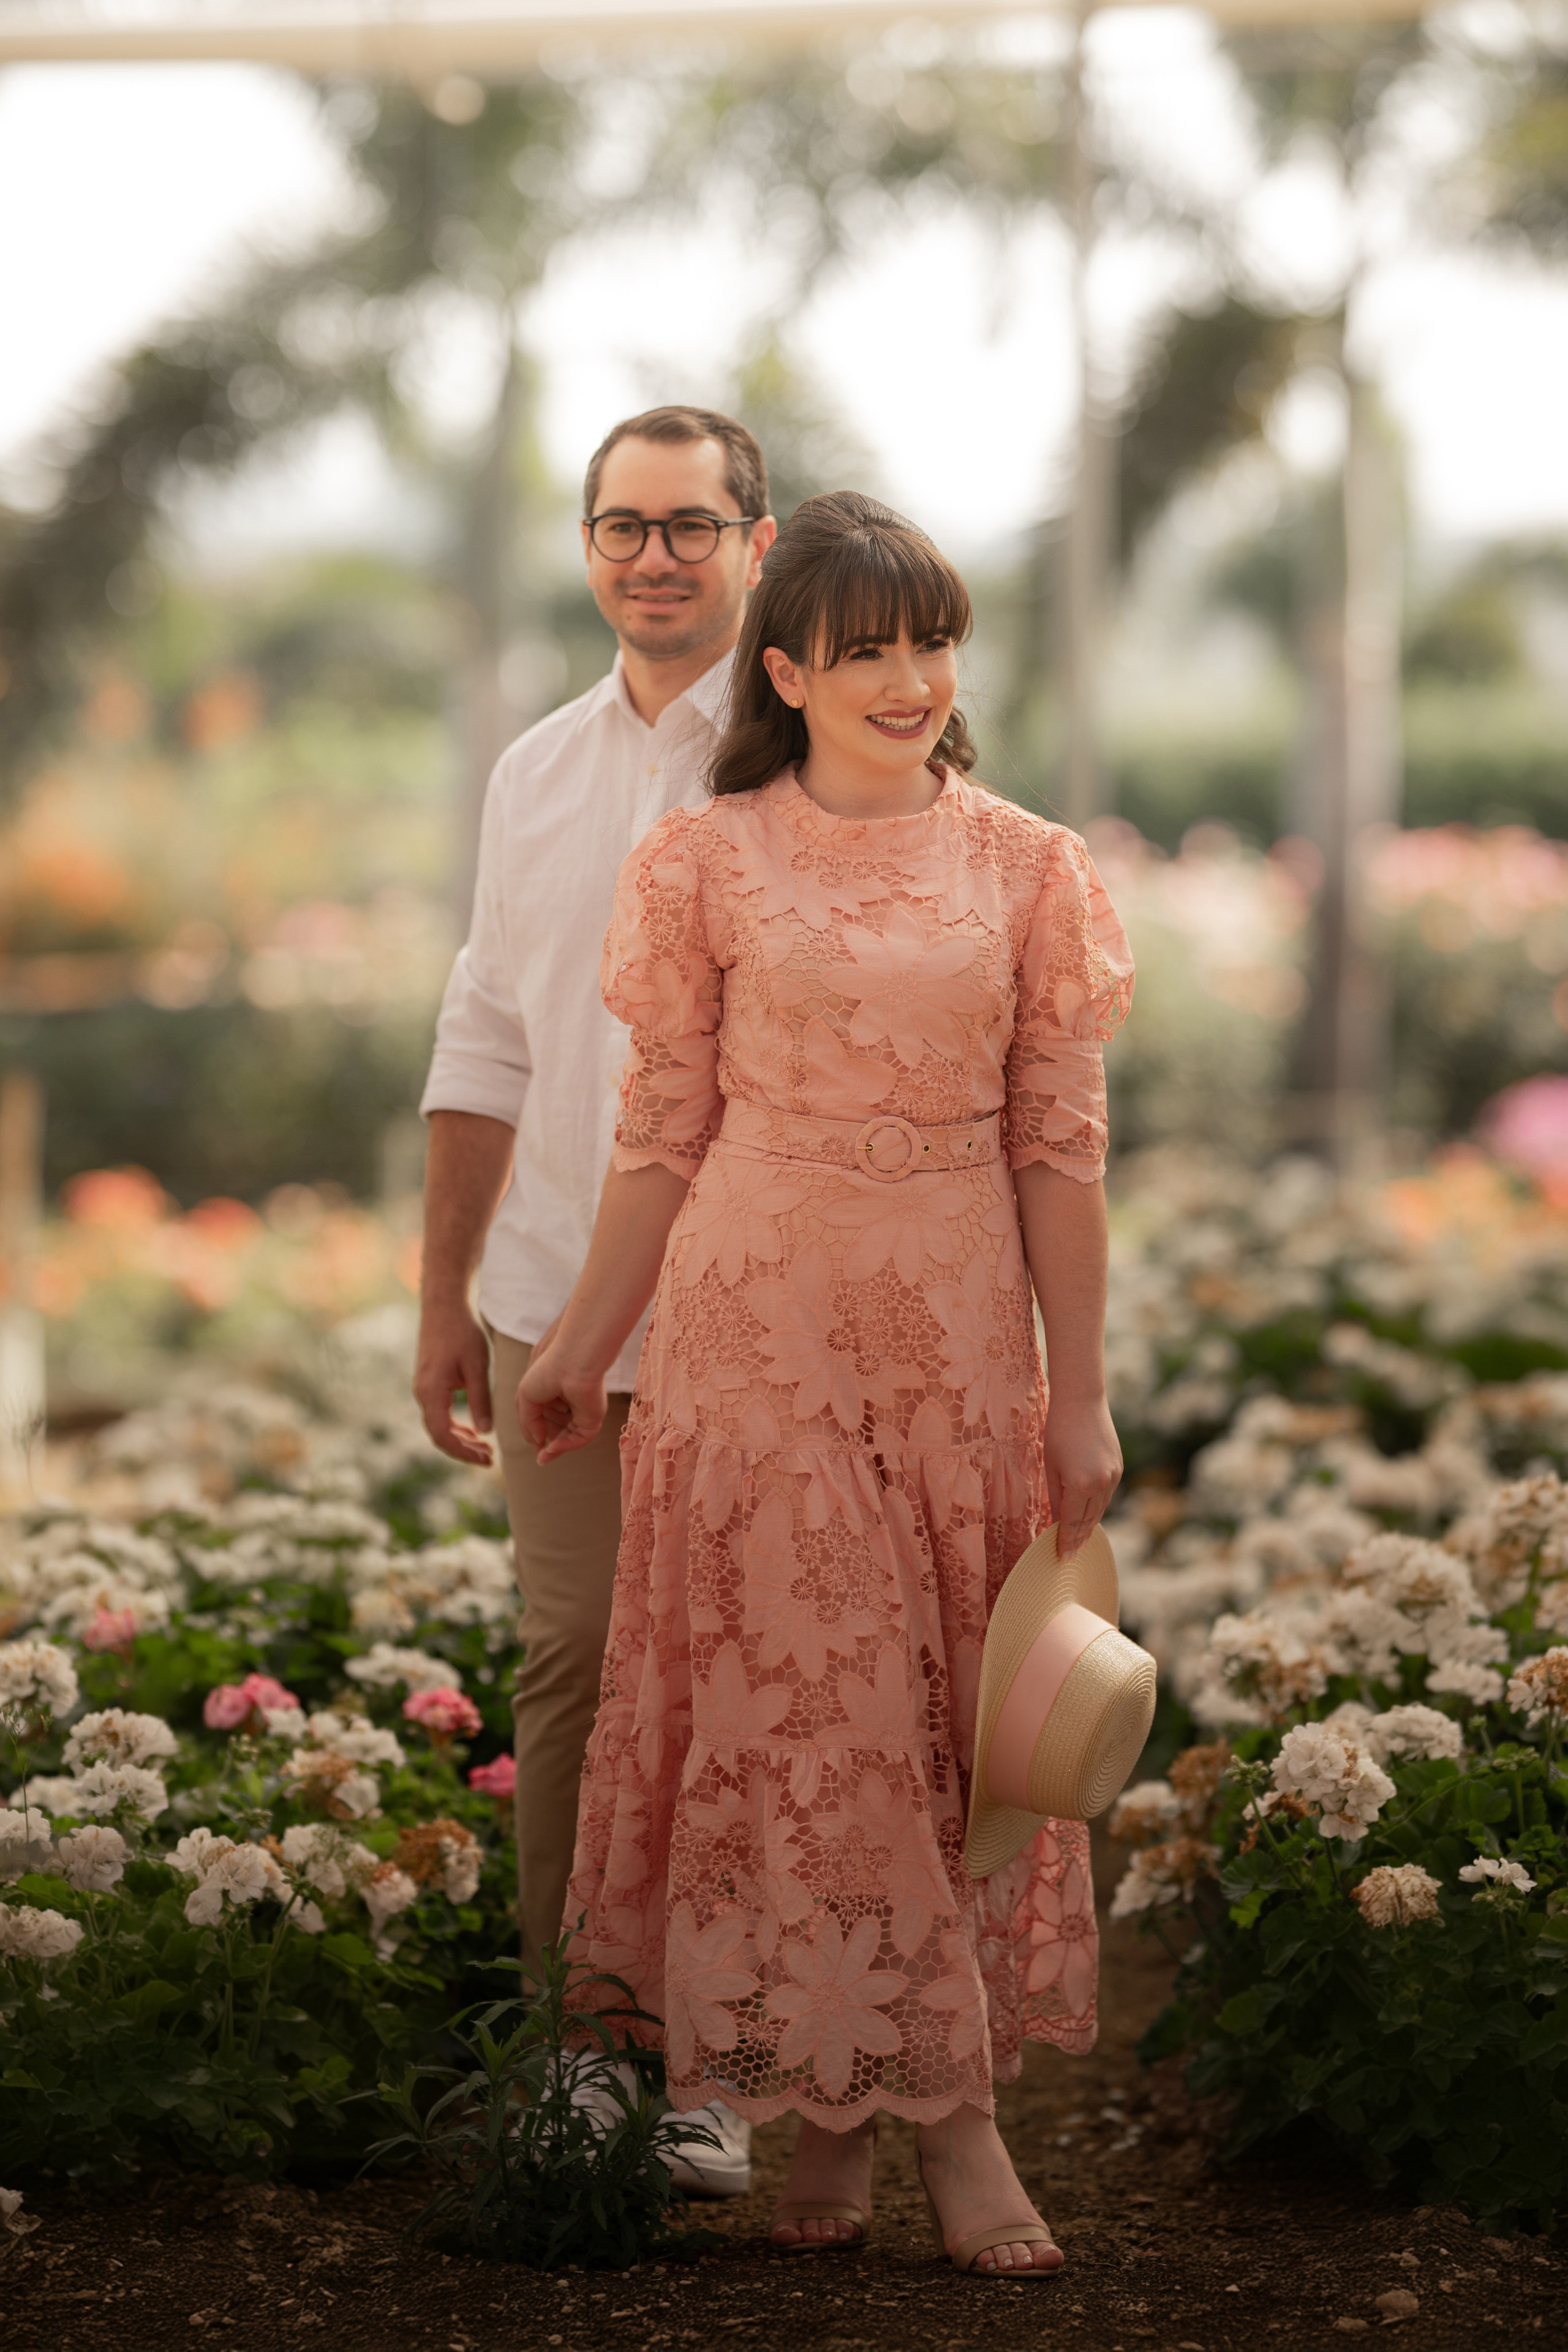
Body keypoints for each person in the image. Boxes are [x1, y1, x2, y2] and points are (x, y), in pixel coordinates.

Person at [520, 492, 1134, 2274]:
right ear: (783, 671)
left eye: (931, 640)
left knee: (941, 1724)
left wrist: (1077, 1397)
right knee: (819, 1717)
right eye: (864, 649)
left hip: (955, 1345)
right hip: (751, 1337)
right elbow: (657, 1143)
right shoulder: (700, 867)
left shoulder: (1031, 869)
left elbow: (1061, 1152)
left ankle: (837, 2129)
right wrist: (573, 1349)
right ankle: (953, 2133)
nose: (909, 678)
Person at [414, 405, 777, 2193]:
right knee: (573, 1666)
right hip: (549, 1297)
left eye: (691, 525)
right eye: (623, 527)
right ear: (587, 547)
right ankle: (577, 2058)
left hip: (751, 1312)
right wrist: (442, 1292)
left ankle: (720, 2066)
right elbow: (485, 1033)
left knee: (729, 1681)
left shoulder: (803, 772)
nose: (654, 557)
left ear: (756, 542)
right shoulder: (535, 771)